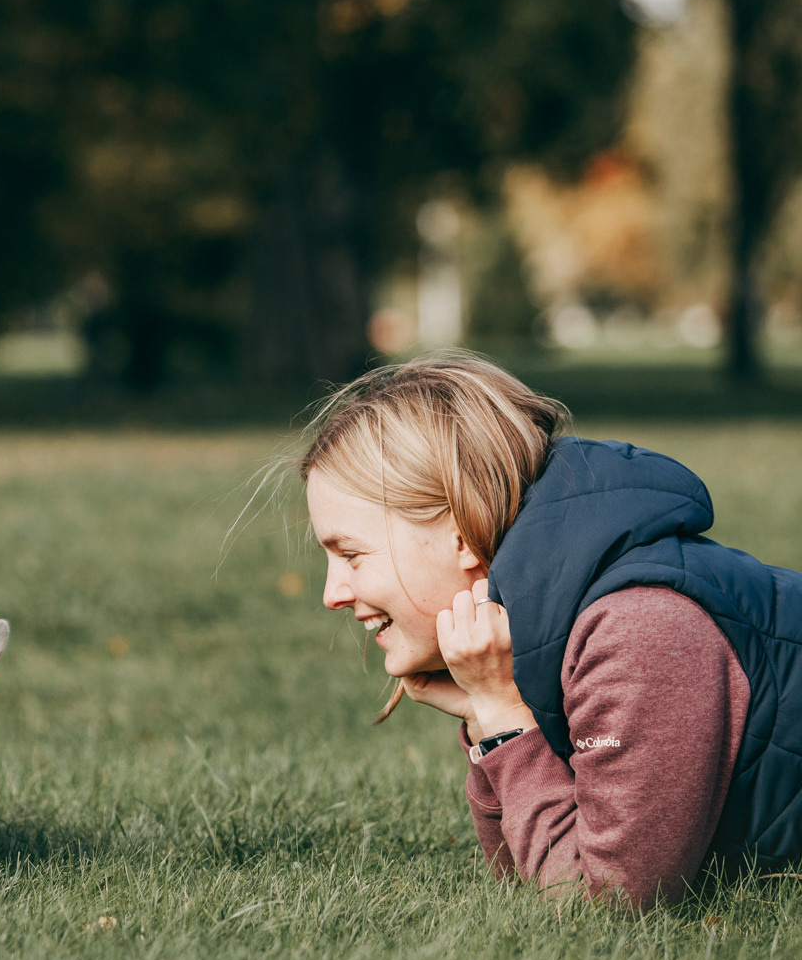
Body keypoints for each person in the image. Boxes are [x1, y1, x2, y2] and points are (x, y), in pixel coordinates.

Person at [300, 351, 802, 909]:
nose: (332, 594)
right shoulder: (555, 618)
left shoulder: (637, 631)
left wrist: (504, 720)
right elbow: (524, 880)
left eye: (351, 554)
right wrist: (484, 713)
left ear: (461, 533)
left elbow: (611, 904)